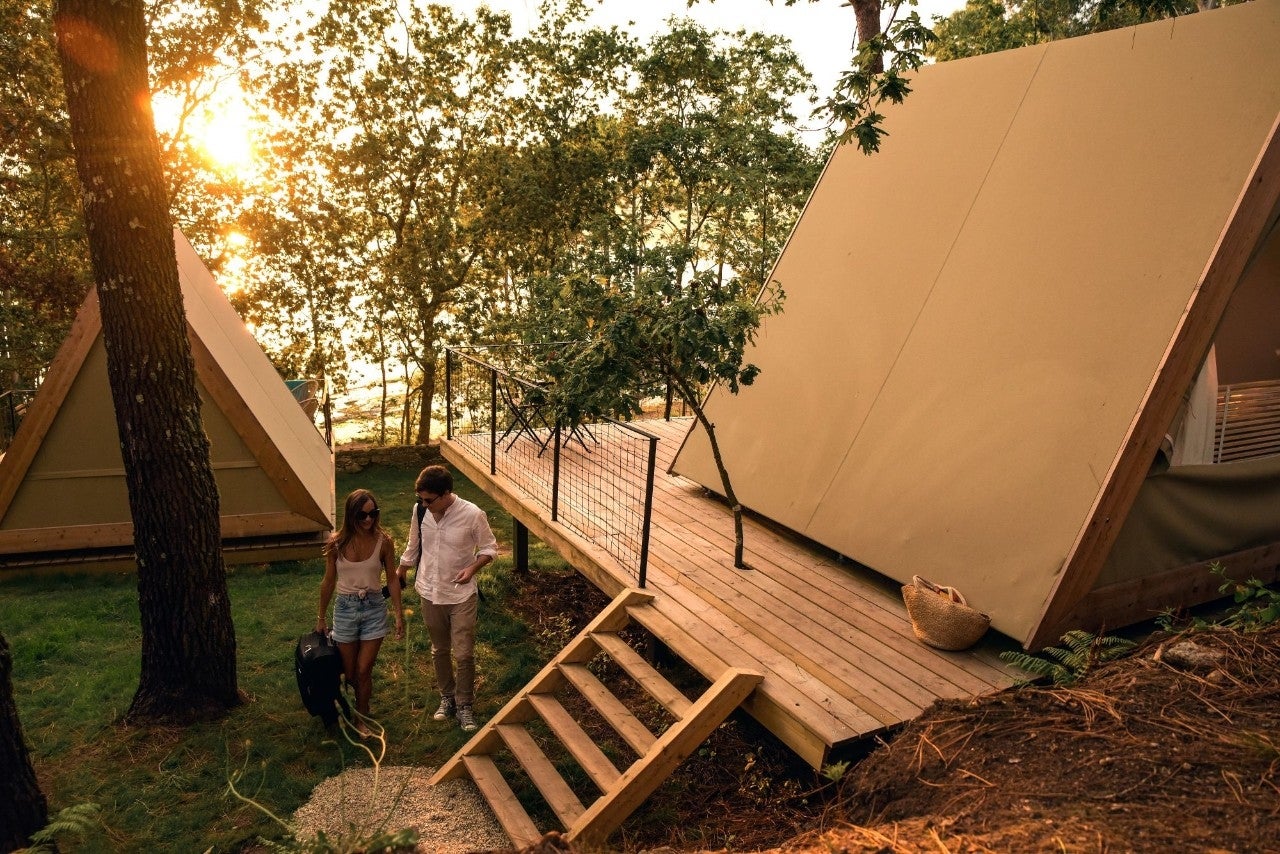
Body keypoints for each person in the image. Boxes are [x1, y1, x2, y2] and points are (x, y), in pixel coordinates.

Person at [397, 464, 497, 733]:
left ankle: (464, 704)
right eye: (421, 499)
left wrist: (473, 568)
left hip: (461, 594)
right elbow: (413, 544)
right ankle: (447, 697)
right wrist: (402, 569)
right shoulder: (420, 511)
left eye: (429, 500)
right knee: (439, 649)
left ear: (446, 494)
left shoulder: (473, 514)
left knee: (463, 653)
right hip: (429, 591)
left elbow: (490, 548)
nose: (424, 504)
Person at [317, 489, 404, 735]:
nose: (368, 520)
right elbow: (328, 581)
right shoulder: (336, 543)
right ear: (351, 515)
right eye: (362, 515)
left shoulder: (384, 541)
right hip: (345, 608)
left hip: (374, 608)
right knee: (351, 672)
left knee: (364, 669)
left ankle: (361, 716)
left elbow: (393, 579)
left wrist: (398, 613)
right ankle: (348, 705)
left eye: (373, 514)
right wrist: (321, 618)